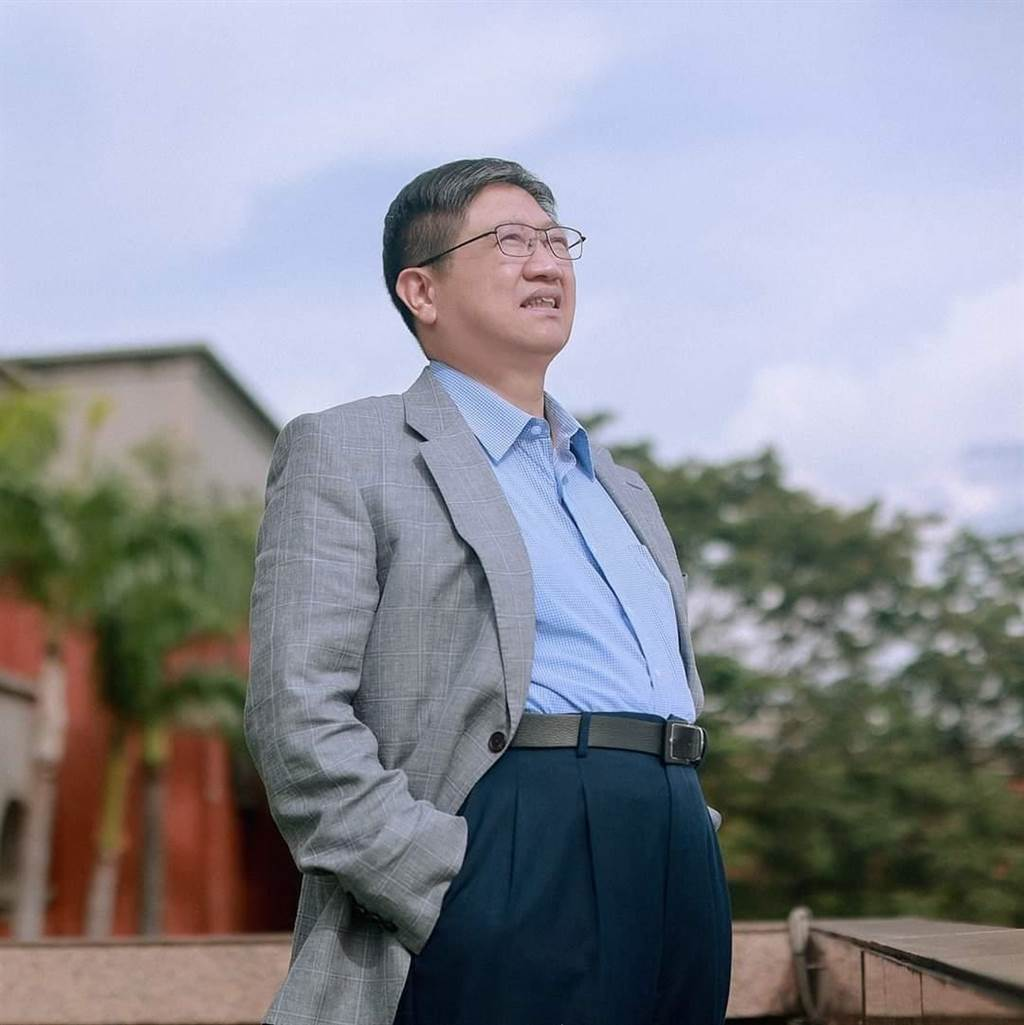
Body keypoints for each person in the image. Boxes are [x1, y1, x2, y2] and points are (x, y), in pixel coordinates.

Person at [244, 157, 731, 1025]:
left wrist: (692, 829)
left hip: (675, 855)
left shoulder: (621, 487)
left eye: (556, 240)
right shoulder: (349, 449)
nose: (547, 263)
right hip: (505, 850)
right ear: (421, 290)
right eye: (510, 241)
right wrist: (441, 881)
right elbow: (297, 713)